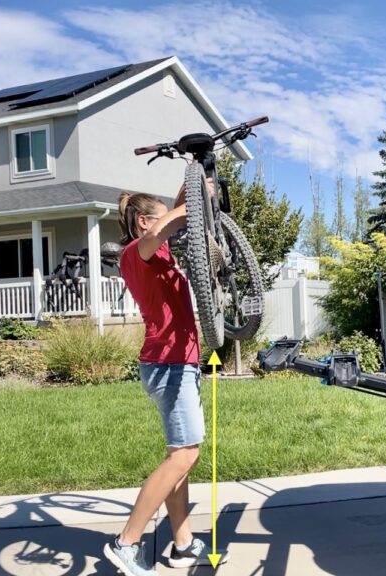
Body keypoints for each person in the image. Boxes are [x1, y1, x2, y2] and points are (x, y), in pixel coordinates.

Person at [103, 180, 229, 576]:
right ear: (143, 222)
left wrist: (191, 181)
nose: (177, 228)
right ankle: (127, 542)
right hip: (168, 366)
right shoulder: (135, 253)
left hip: (176, 364)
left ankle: (183, 543)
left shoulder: (157, 253)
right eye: (161, 221)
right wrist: (183, 211)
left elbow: (172, 218)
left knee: (180, 456)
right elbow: (163, 229)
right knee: (185, 454)